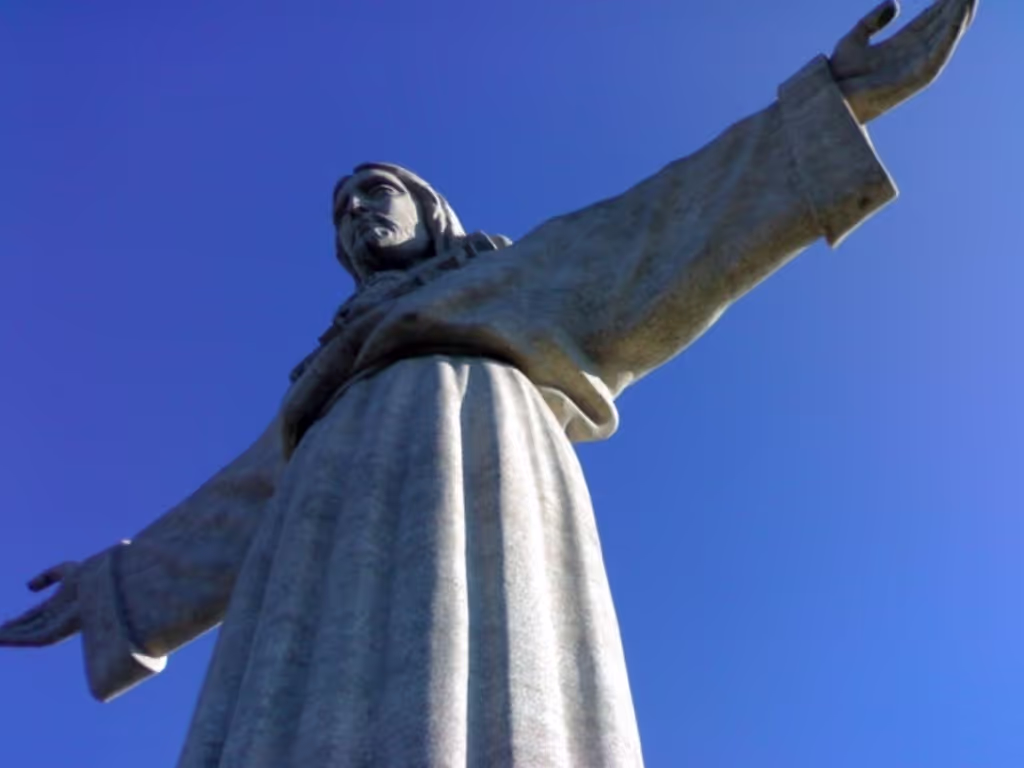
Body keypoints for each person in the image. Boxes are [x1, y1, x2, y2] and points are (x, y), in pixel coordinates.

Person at [0, 2, 979, 765]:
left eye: (372, 194)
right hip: (325, 521)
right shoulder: (328, 380)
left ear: (430, 212)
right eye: (340, 211)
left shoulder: (511, 282)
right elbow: (240, 499)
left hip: (483, 447)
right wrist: (119, 586)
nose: (352, 213)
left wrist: (829, 104)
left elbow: (662, 226)